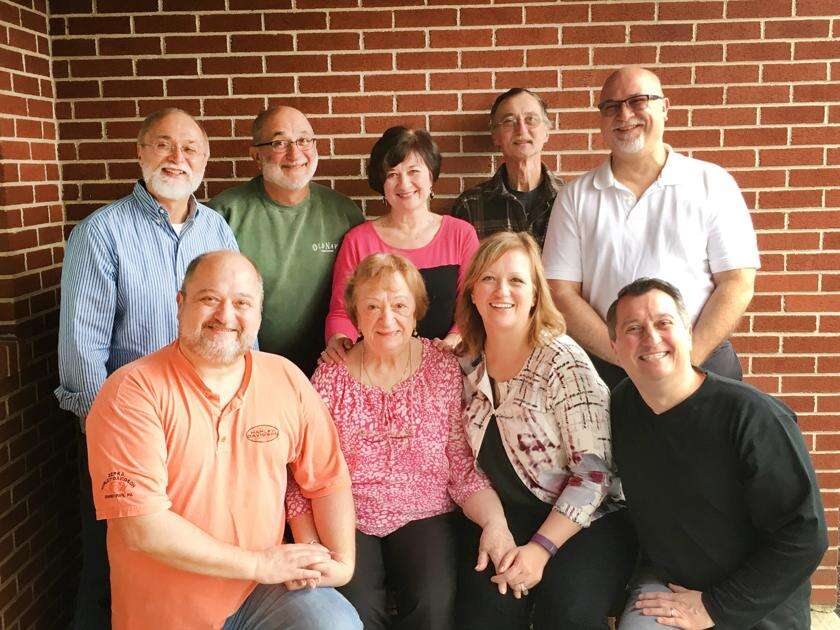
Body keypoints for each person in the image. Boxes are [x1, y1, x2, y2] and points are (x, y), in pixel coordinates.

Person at [85, 250, 361, 630]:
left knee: (333, 624)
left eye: (242, 303)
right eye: (209, 298)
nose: (226, 316)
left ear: (259, 314)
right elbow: (141, 526)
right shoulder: (132, 391)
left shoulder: (285, 378)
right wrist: (259, 564)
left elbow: (327, 478)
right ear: (180, 304)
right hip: (167, 607)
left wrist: (342, 562)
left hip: (260, 592)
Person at [55, 107, 239, 629]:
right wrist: (112, 437)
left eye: (191, 148)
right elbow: (82, 353)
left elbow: (239, 326)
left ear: (205, 160)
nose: (178, 157)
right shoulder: (101, 233)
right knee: (111, 571)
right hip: (127, 432)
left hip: (204, 429)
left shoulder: (218, 231)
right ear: (140, 153)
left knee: (188, 566)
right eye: (163, 144)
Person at [288, 253, 513, 629]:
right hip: (348, 515)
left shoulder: (441, 367)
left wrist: (495, 522)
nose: (387, 319)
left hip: (425, 509)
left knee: (431, 604)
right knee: (355, 609)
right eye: (372, 307)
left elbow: (460, 463)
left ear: (417, 311)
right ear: (356, 315)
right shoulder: (330, 377)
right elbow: (302, 472)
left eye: (399, 305)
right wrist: (310, 547)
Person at [607, 278, 828, 630]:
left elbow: (805, 535)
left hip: (754, 602)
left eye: (664, 323)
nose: (651, 338)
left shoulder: (753, 416)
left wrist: (714, 607)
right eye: (633, 328)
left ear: (688, 333)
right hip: (669, 585)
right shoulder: (622, 407)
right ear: (615, 347)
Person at [454, 232, 637, 630]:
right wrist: (496, 527)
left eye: (516, 280)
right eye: (488, 279)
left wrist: (539, 550)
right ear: (472, 293)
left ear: (536, 294)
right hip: (508, 514)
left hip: (588, 519)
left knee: (567, 614)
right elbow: (461, 461)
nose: (502, 291)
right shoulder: (464, 363)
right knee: (484, 613)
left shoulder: (562, 361)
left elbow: (596, 473)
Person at [542, 66, 760, 390]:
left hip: (702, 363)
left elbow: (737, 283)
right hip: (609, 373)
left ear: (665, 108)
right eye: (611, 106)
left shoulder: (712, 184)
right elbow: (561, 292)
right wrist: (628, 359)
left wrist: (685, 362)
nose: (624, 114)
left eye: (638, 100)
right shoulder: (574, 198)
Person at [209, 105, 364, 376]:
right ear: (256, 155)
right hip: (244, 370)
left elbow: (362, 294)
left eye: (304, 140)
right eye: (280, 143)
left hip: (327, 370)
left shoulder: (343, 212)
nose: (295, 153)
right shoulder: (224, 214)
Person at [323, 126, 479, 363]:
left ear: (431, 176)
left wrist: (451, 343)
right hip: (376, 365)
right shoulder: (358, 240)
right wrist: (340, 340)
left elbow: (472, 305)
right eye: (392, 174)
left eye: (414, 171)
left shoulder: (461, 234)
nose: (404, 184)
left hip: (449, 361)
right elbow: (342, 311)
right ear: (382, 184)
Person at [452, 88, 562, 247]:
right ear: (495, 136)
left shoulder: (570, 199)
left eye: (531, 119)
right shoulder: (470, 205)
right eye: (509, 121)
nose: (521, 130)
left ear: (546, 132)